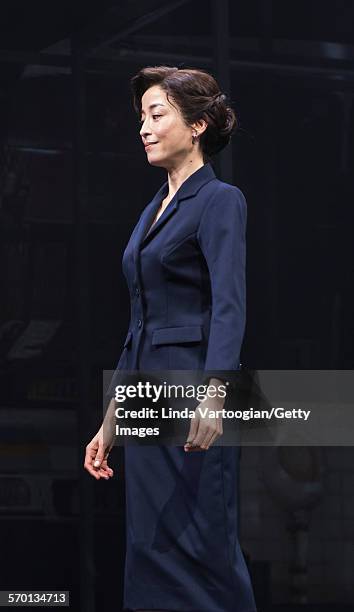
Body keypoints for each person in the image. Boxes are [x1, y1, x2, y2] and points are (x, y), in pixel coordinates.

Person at [84, 65, 257, 612]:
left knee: (202, 545)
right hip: (147, 400)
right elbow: (140, 322)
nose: (144, 128)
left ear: (199, 125)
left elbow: (229, 306)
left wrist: (215, 393)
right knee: (149, 546)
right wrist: (111, 418)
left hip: (192, 397)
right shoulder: (151, 211)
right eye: (142, 118)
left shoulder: (220, 199)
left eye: (157, 115)